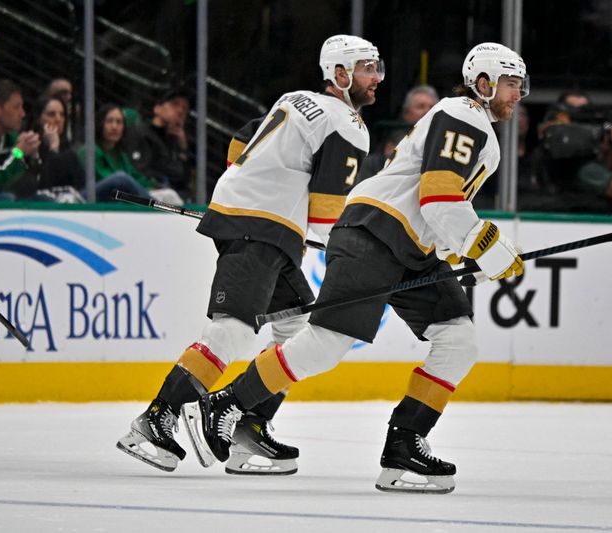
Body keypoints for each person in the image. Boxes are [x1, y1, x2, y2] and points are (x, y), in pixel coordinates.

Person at [182, 42, 528, 494]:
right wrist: (483, 244)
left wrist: (466, 252)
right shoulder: (464, 115)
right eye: (510, 83)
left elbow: (437, 207)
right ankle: (225, 404)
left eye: (521, 84)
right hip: (375, 231)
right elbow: (439, 196)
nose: (518, 94)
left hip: (410, 245)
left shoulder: (473, 122)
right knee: (326, 344)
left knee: (458, 339)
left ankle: (404, 446)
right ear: (483, 84)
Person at [116, 34, 383, 475]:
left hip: (259, 222)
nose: (377, 79)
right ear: (340, 74)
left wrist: (249, 190)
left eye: (378, 68)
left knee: (293, 322)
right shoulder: (348, 125)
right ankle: (155, 419)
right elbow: (329, 212)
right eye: (367, 69)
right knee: (234, 329)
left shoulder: (296, 99)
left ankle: (247, 428)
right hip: (262, 227)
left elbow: (242, 142)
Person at [536, 90, 612, 214]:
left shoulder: (591, 147)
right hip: (575, 218)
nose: (580, 119)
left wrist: (608, 145)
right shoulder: (561, 150)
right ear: (561, 117)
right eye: (574, 114)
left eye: (585, 113)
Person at [77, 103, 160, 202]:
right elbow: (113, 181)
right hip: (90, 201)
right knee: (121, 179)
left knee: (168, 194)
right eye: (109, 121)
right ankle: (158, 207)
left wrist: (153, 186)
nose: (114, 127)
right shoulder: (89, 151)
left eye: (119, 122)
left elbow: (137, 178)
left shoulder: (121, 155)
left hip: (116, 200)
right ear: (100, 124)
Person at [359, 85, 440, 183]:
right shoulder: (393, 136)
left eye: (431, 107)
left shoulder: (442, 138)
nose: (427, 111)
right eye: (420, 107)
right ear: (406, 112)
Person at [127, 89, 192, 201]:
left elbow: (185, 181)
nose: (180, 111)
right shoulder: (141, 132)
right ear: (157, 109)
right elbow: (139, 169)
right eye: (175, 104)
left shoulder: (175, 139)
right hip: (148, 194)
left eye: (184, 109)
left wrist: (183, 148)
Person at [0, 79, 40, 200]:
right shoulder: (17, 146)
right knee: (7, 198)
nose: (22, 114)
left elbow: (33, 183)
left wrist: (33, 156)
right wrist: (18, 153)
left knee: (42, 198)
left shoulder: (13, 138)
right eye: (16, 107)